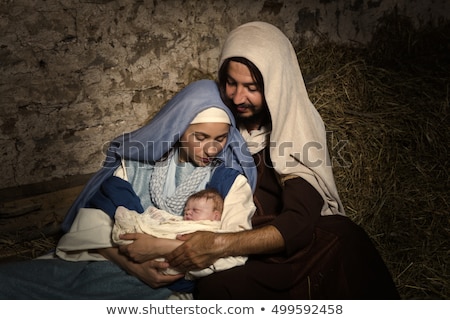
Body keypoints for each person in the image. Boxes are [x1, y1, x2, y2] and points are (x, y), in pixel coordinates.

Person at [157, 21, 400, 299]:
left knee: (345, 239)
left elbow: (298, 223)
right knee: (214, 287)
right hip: (238, 248)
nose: (237, 97)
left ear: (275, 85)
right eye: (231, 83)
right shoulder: (217, 123)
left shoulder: (295, 129)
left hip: (287, 246)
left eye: (251, 87)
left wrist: (219, 244)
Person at [0, 79, 256, 299]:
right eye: (200, 137)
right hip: (106, 263)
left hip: (162, 285)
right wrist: (129, 263)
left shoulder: (227, 182)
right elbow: (93, 224)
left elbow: (231, 249)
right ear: (178, 131)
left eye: (221, 139)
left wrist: (158, 249)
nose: (212, 149)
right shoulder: (136, 165)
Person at [112, 189, 246, 279]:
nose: (188, 212)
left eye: (195, 210)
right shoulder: (183, 221)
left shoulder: (212, 229)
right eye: (186, 209)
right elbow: (171, 223)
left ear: (215, 216)